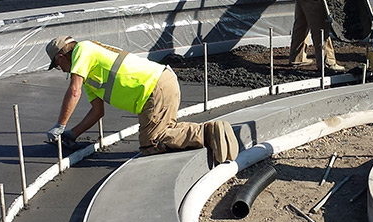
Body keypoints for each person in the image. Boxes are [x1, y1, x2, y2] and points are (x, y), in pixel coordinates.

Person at [43, 36, 237, 166]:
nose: (60, 69)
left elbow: (73, 91)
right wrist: (72, 134)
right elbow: (97, 112)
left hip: (154, 89)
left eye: (57, 64)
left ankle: (208, 132)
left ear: (61, 56)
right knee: (163, 134)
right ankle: (211, 133)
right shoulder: (89, 76)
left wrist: (60, 125)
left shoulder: (83, 50)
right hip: (159, 86)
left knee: (151, 143)